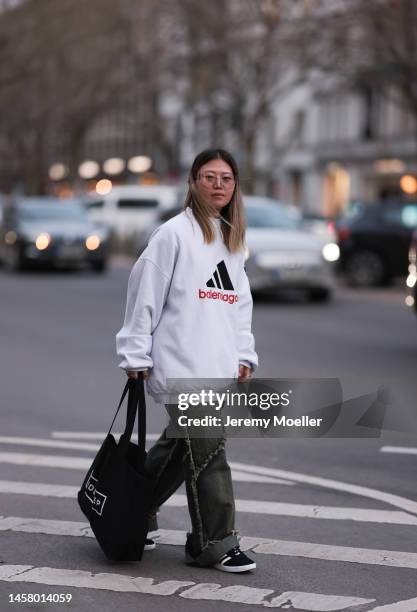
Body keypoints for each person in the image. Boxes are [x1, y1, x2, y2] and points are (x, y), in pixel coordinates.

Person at [116, 148, 258, 573]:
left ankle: (131, 509)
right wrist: (134, 352)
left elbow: (239, 306)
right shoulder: (172, 234)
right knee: (211, 455)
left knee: (182, 450)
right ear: (194, 182)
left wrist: (243, 353)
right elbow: (144, 297)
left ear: (235, 187)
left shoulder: (231, 238)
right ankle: (212, 543)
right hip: (181, 365)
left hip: (216, 365)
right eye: (209, 176)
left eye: (226, 178)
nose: (218, 185)